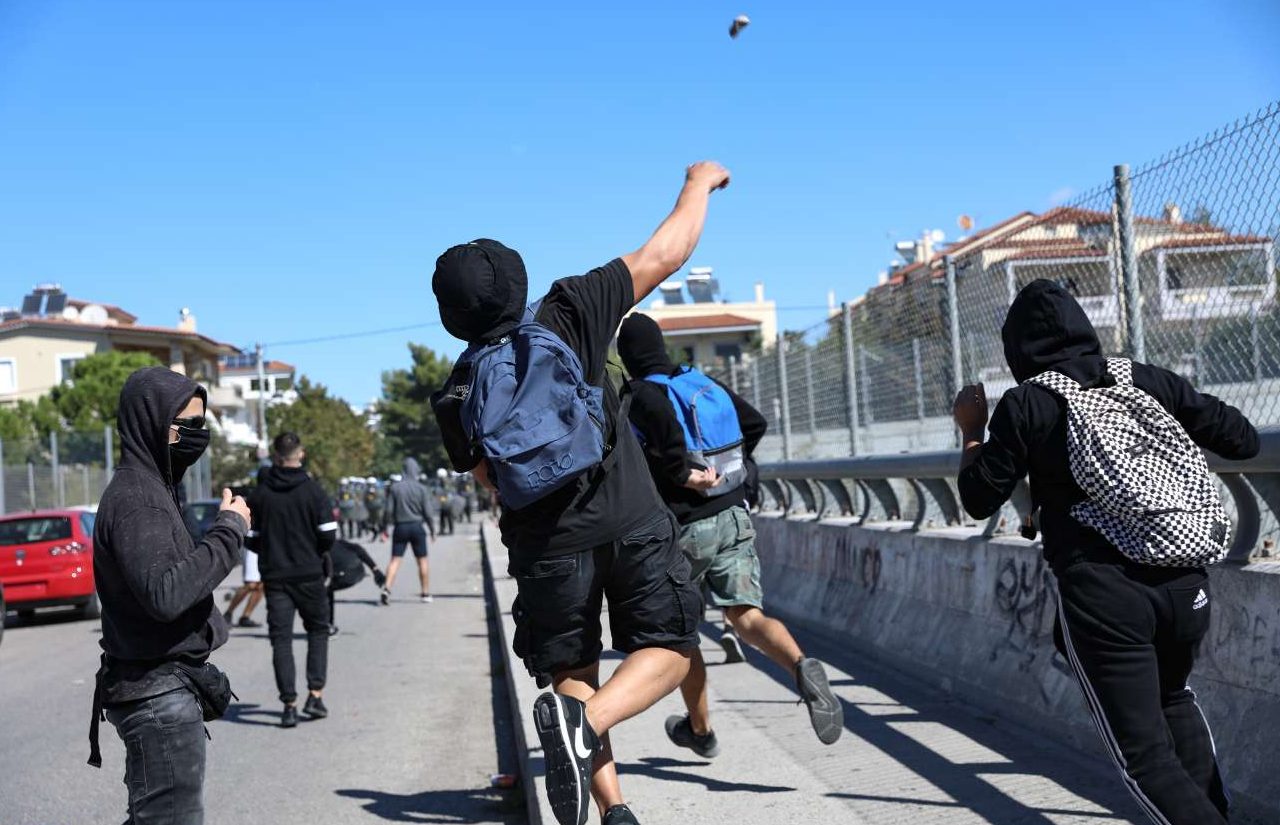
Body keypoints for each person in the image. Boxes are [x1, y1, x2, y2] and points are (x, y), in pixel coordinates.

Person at [430, 160, 730, 825]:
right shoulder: (571, 307)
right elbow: (667, 251)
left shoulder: (457, 389)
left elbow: (489, 478)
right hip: (631, 516)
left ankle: (614, 809)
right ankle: (586, 724)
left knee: (574, 668)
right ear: (517, 278)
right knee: (673, 647)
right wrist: (698, 184)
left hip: (546, 545)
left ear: (451, 316)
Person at [953, 280, 1258, 825]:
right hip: (1185, 577)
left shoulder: (1029, 402)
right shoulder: (1145, 378)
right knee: (1173, 696)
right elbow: (1244, 439)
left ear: (1017, 348)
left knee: (1144, 759)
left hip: (1104, 594)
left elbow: (979, 498)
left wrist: (972, 433)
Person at [617, 313, 844, 756]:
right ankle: (801, 667)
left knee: (682, 636)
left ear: (628, 357)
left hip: (683, 530)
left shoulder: (643, 393)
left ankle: (701, 731)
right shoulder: (697, 380)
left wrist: (683, 474)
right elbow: (754, 423)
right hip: (733, 514)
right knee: (746, 617)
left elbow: (663, 434)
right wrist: (726, 473)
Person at [89, 366, 252, 823]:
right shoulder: (138, 499)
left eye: (203, 423)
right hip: (158, 699)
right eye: (188, 425)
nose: (198, 435)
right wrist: (230, 530)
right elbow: (166, 593)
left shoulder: (153, 489)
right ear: (152, 423)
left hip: (160, 692)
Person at [246, 432, 339, 728]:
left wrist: (269, 551)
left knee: (281, 640)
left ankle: (289, 705)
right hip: (310, 573)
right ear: (301, 454)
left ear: (276, 456)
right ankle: (315, 695)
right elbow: (328, 534)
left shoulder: (261, 494)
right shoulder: (314, 491)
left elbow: (249, 536)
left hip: (275, 576)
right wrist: (315, 552)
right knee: (318, 631)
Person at [382, 457, 437, 604]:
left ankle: (386, 588)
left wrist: (384, 529)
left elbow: (388, 511)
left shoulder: (395, 488)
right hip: (417, 527)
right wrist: (432, 530)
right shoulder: (422, 489)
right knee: (422, 560)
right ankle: (425, 593)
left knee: (395, 560)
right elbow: (428, 512)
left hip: (400, 527)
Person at [327, 538, 386, 635]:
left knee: (323, 587)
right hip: (357, 570)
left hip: (345, 574)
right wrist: (375, 570)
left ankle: (327, 626)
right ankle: (328, 625)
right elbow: (358, 549)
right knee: (325, 587)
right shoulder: (332, 540)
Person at [221, 546, 263, 628]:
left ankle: (245, 617)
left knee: (260, 586)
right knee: (251, 584)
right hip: (252, 547)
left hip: (265, 547)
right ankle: (228, 614)